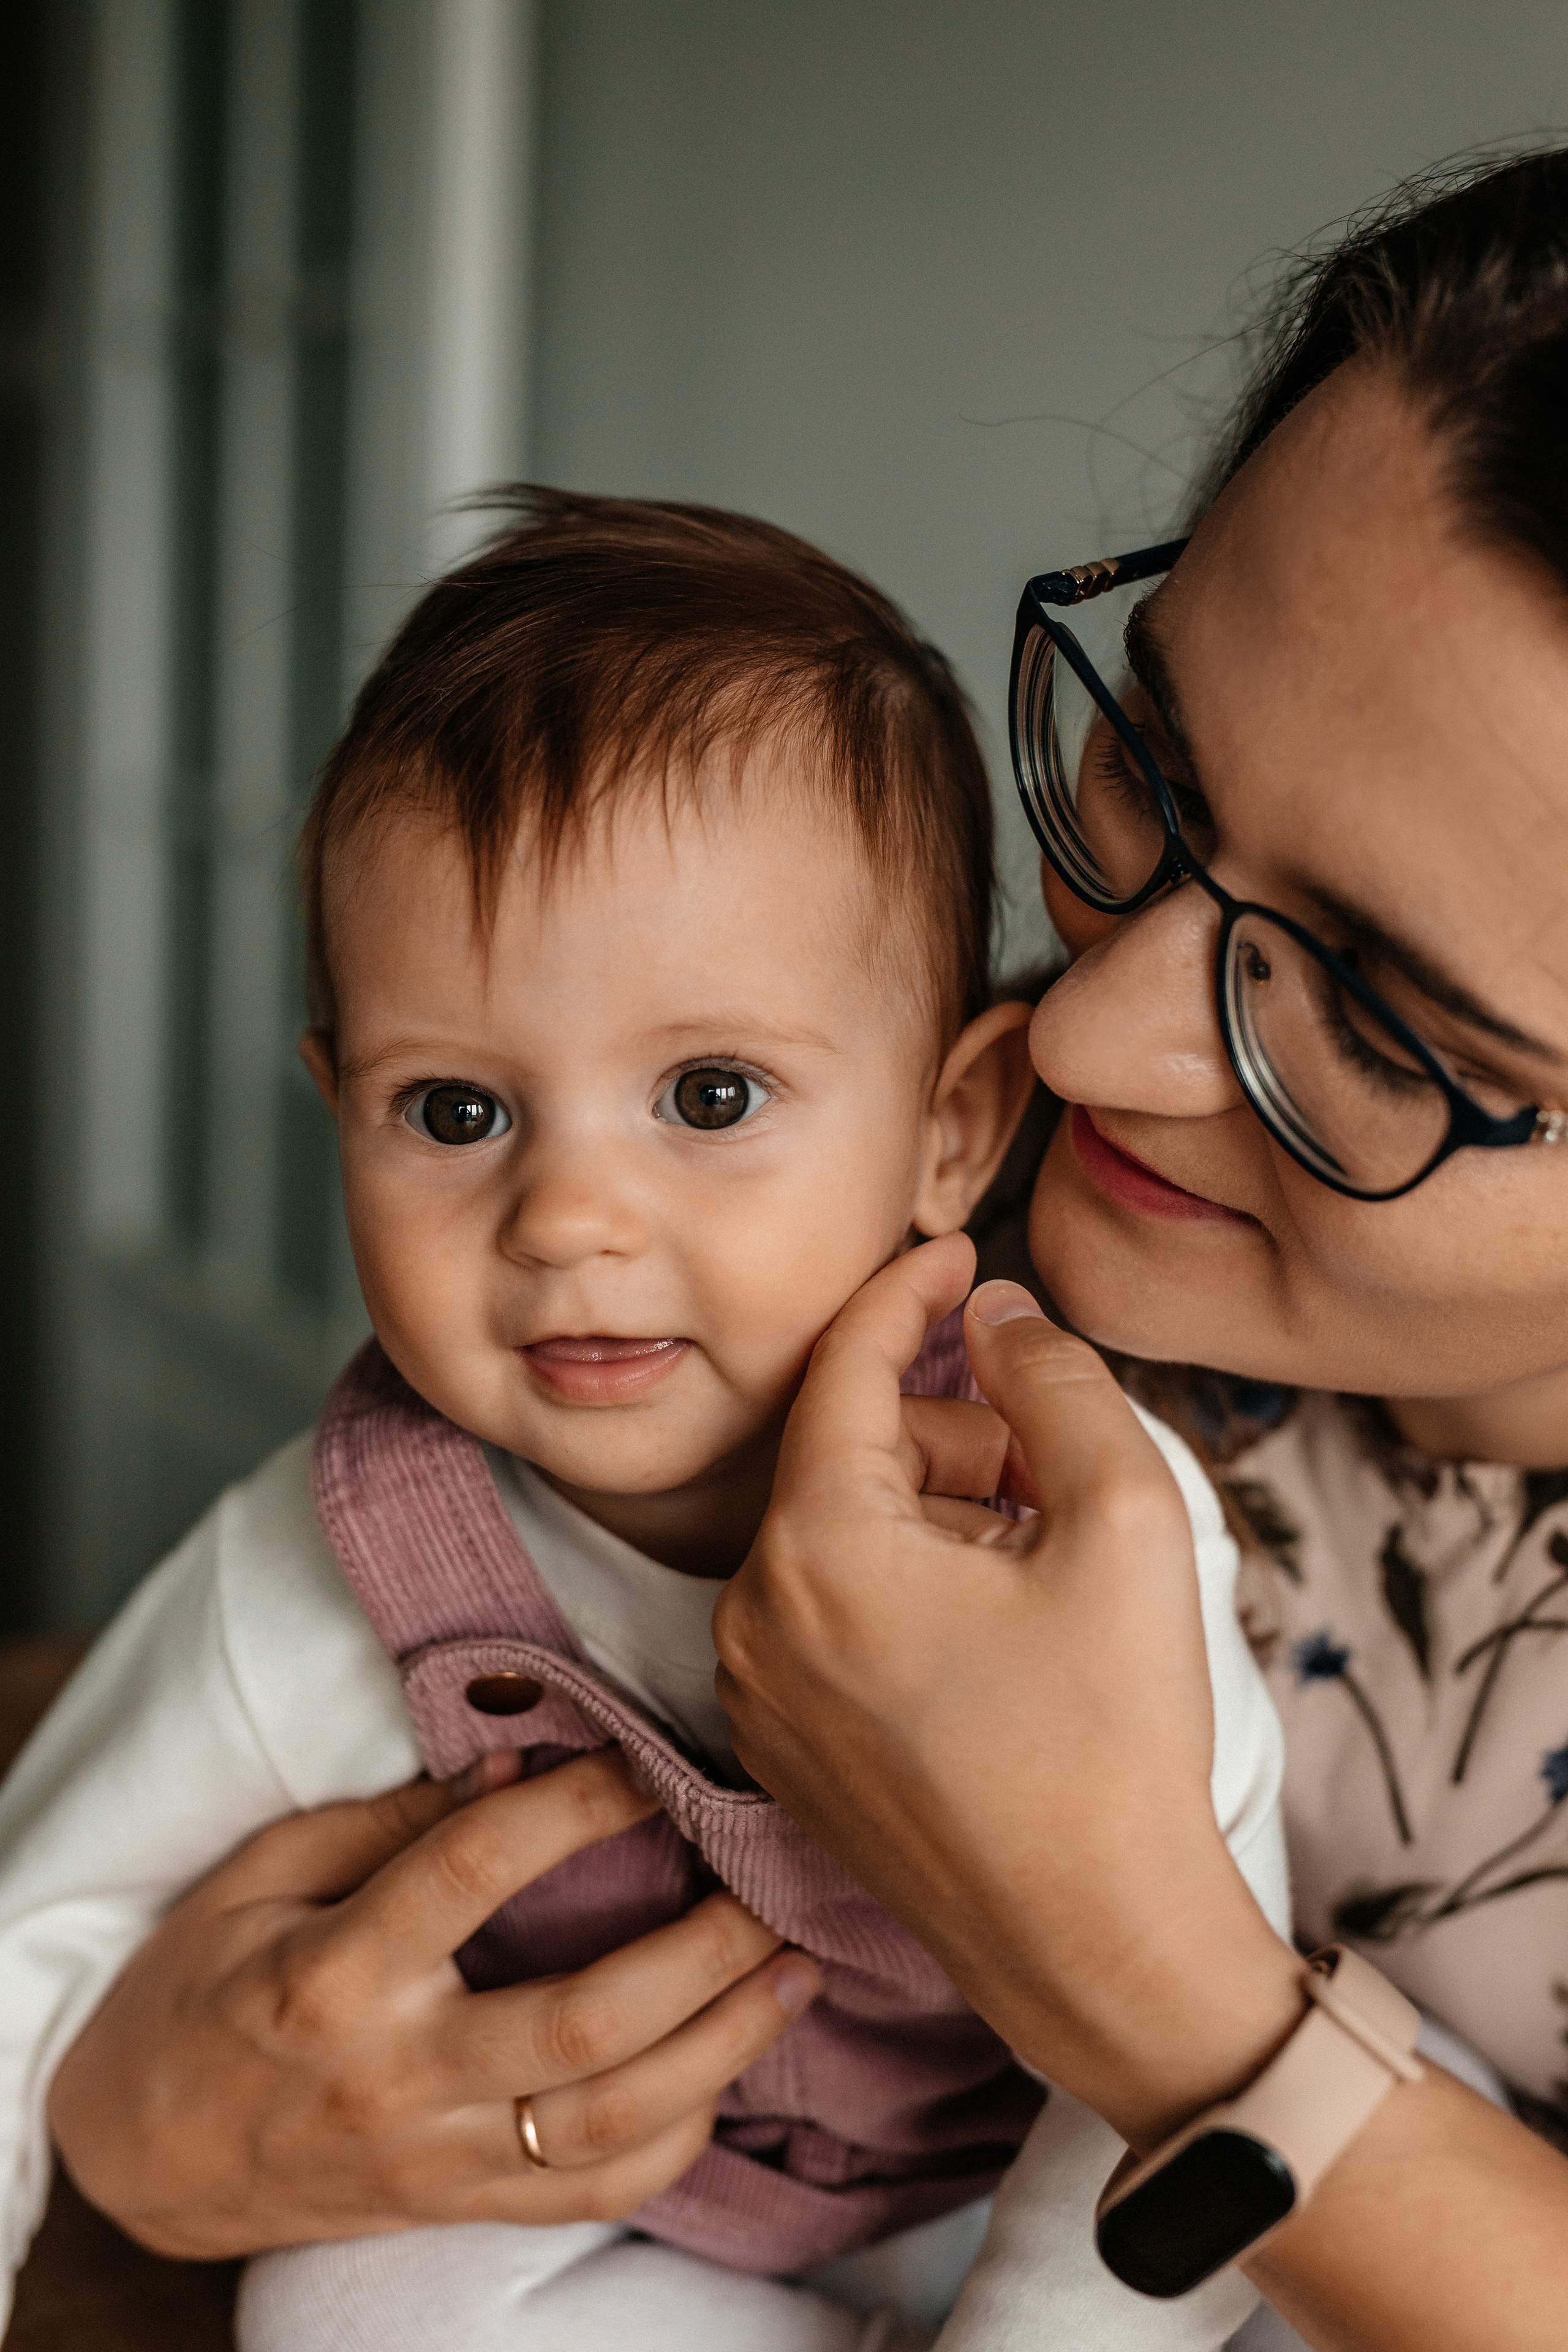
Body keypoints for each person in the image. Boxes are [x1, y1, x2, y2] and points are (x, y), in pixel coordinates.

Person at [0, 493, 1287, 2348]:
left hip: (1038, 2201)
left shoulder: (1071, 1517)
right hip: (633, 2220)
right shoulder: (340, 1551)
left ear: (947, 1133)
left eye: (709, 1094)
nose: (570, 1219)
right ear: (338, 1107)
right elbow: (40, 1921)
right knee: (334, 2307)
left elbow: (1202, 2017)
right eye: (455, 1113)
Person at [713, 149, 1568, 2349]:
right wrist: (137, 2099)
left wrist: (1146, 1982)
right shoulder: (912, 1175)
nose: (1083, 1033)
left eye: (1375, 1019)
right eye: (1157, 775)